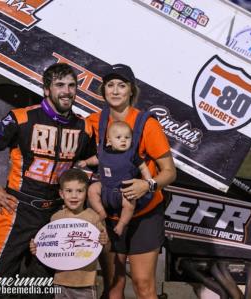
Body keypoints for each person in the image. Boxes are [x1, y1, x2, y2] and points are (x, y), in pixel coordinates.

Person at [0, 63, 96, 298]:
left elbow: (94, 161)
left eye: (72, 86)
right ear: (46, 89)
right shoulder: (21, 118)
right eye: (59, 85)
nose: (66, 91)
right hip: (16, 210)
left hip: (54, 217)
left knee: (39, 289)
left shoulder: (84, 127)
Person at [86, 64, 177, 299]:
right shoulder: (93, 122)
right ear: (103, 89)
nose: (115, 91)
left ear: (131, 91)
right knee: (113, 287)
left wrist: (147, 184)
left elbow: (169, 172)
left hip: (144, 214)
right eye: (110, 85)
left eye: (122, 85)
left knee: (143, 284)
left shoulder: (147, 124)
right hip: (110, 214)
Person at [30, 168, 108, 299]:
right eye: (69, 191)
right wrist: (37, 248)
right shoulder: (55, 218)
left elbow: (103, 244)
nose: (74, 196)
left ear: (86, 193)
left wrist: (104, 239)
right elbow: (48, 247)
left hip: (85, 283)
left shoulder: (93, 217)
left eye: (79, 191)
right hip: (60, 282)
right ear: (61, 194)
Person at [77, 120, 153, 237]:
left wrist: (148, 181)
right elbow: (96, 159)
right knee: (92, 189)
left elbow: (143, 167)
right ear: (109, 140)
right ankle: (101, 212)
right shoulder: (104, 152)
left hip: (123, 189)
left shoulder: (132, 155)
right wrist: (86, 162)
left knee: (130, 204)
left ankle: (122, 224)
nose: (123, 140)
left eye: (127, 137)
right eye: (118, 137)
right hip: (105, 187)